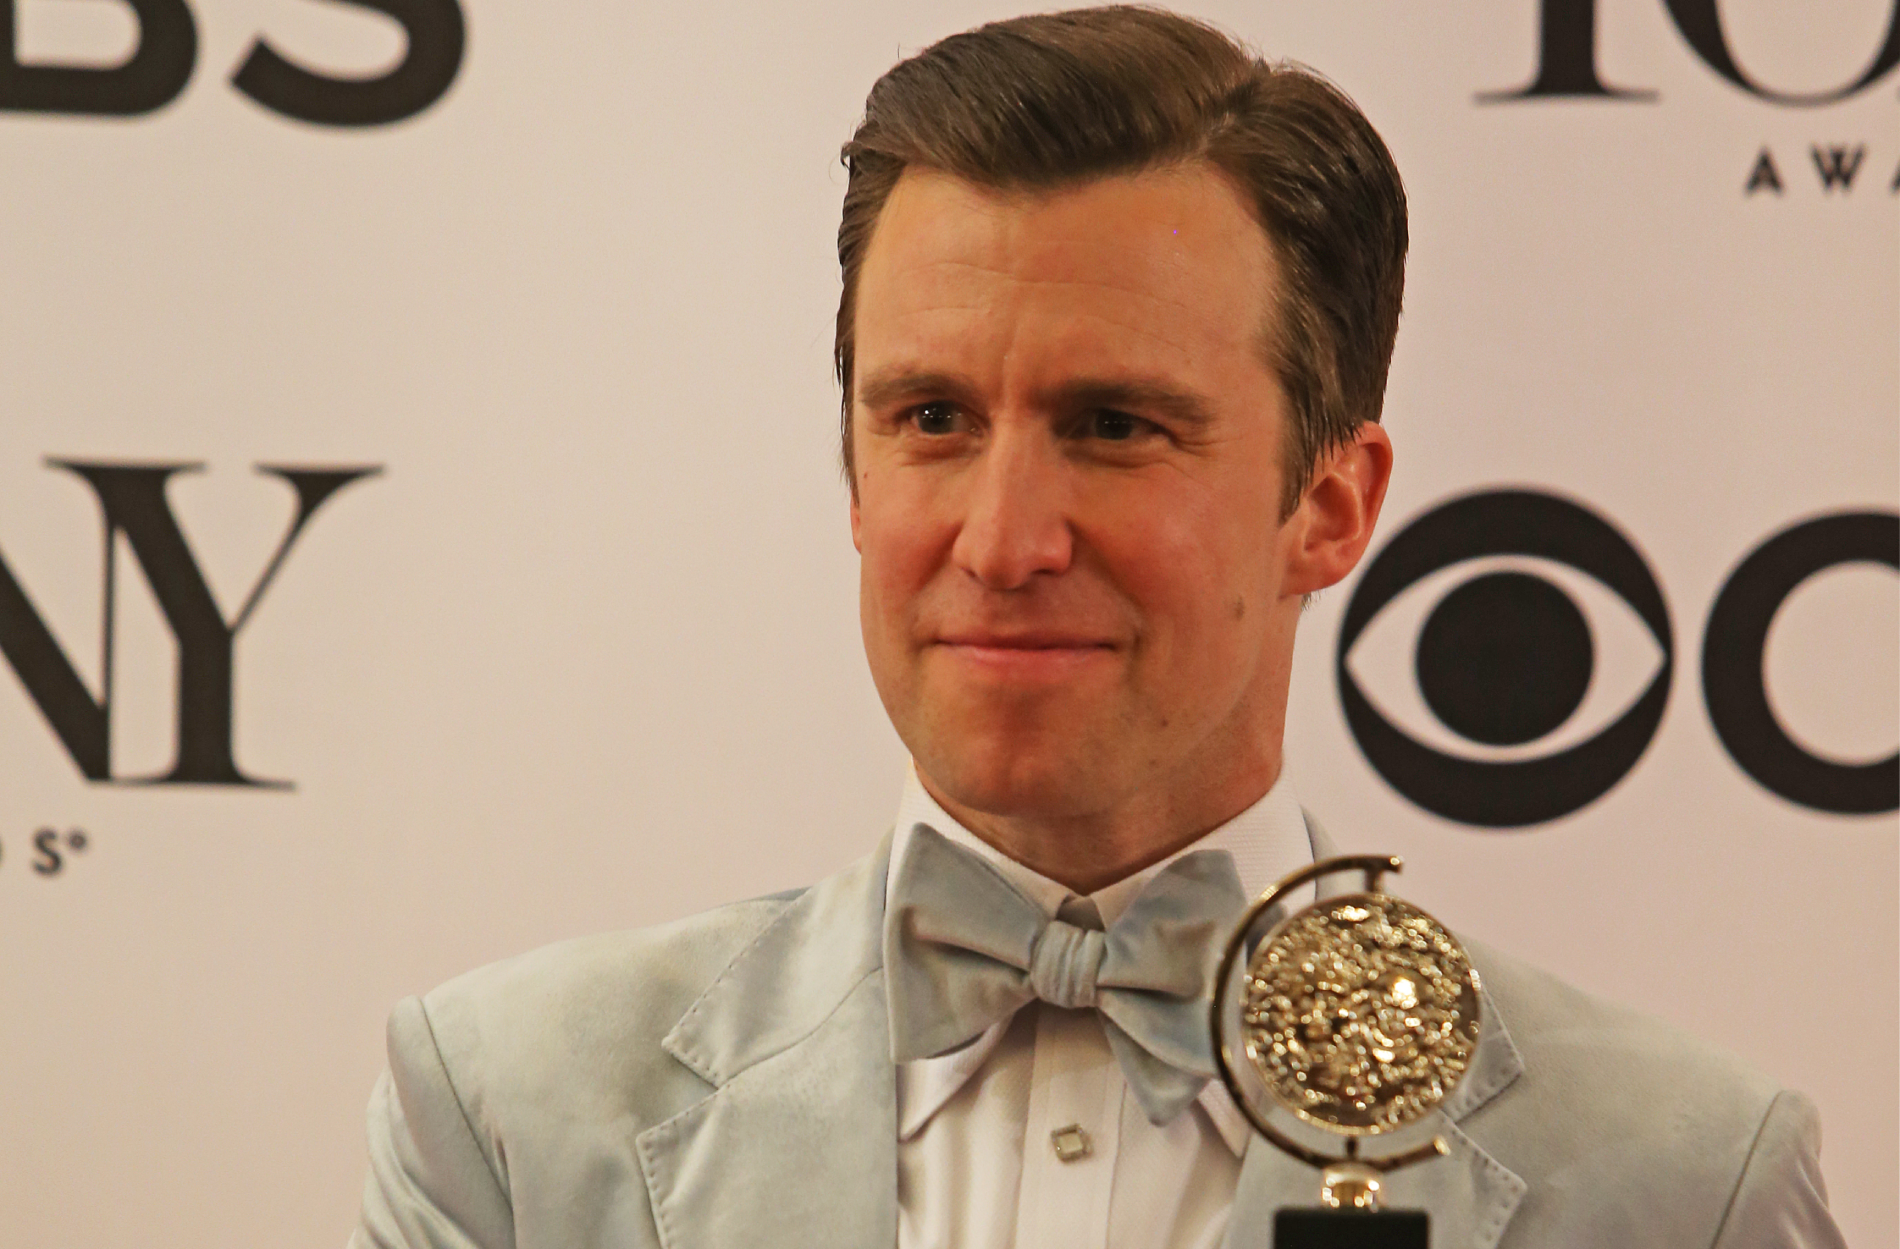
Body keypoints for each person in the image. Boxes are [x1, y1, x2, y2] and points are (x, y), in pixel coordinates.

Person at [351, 9, 1844, 1248]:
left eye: (1116, 426)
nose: (1002, 543)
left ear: (1330, 503)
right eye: (931, 417)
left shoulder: (1680, 1184)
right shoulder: (505, 1121)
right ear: (856, 470)